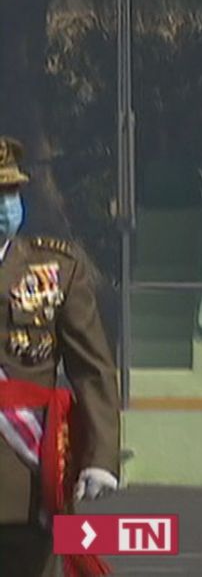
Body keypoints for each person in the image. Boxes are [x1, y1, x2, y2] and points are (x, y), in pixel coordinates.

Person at [0, 137, 121, 577]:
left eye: (10, 194)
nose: (4, 206)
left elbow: (92, 368)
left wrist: (101, 455)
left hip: (29, 472)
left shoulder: (56, 270)